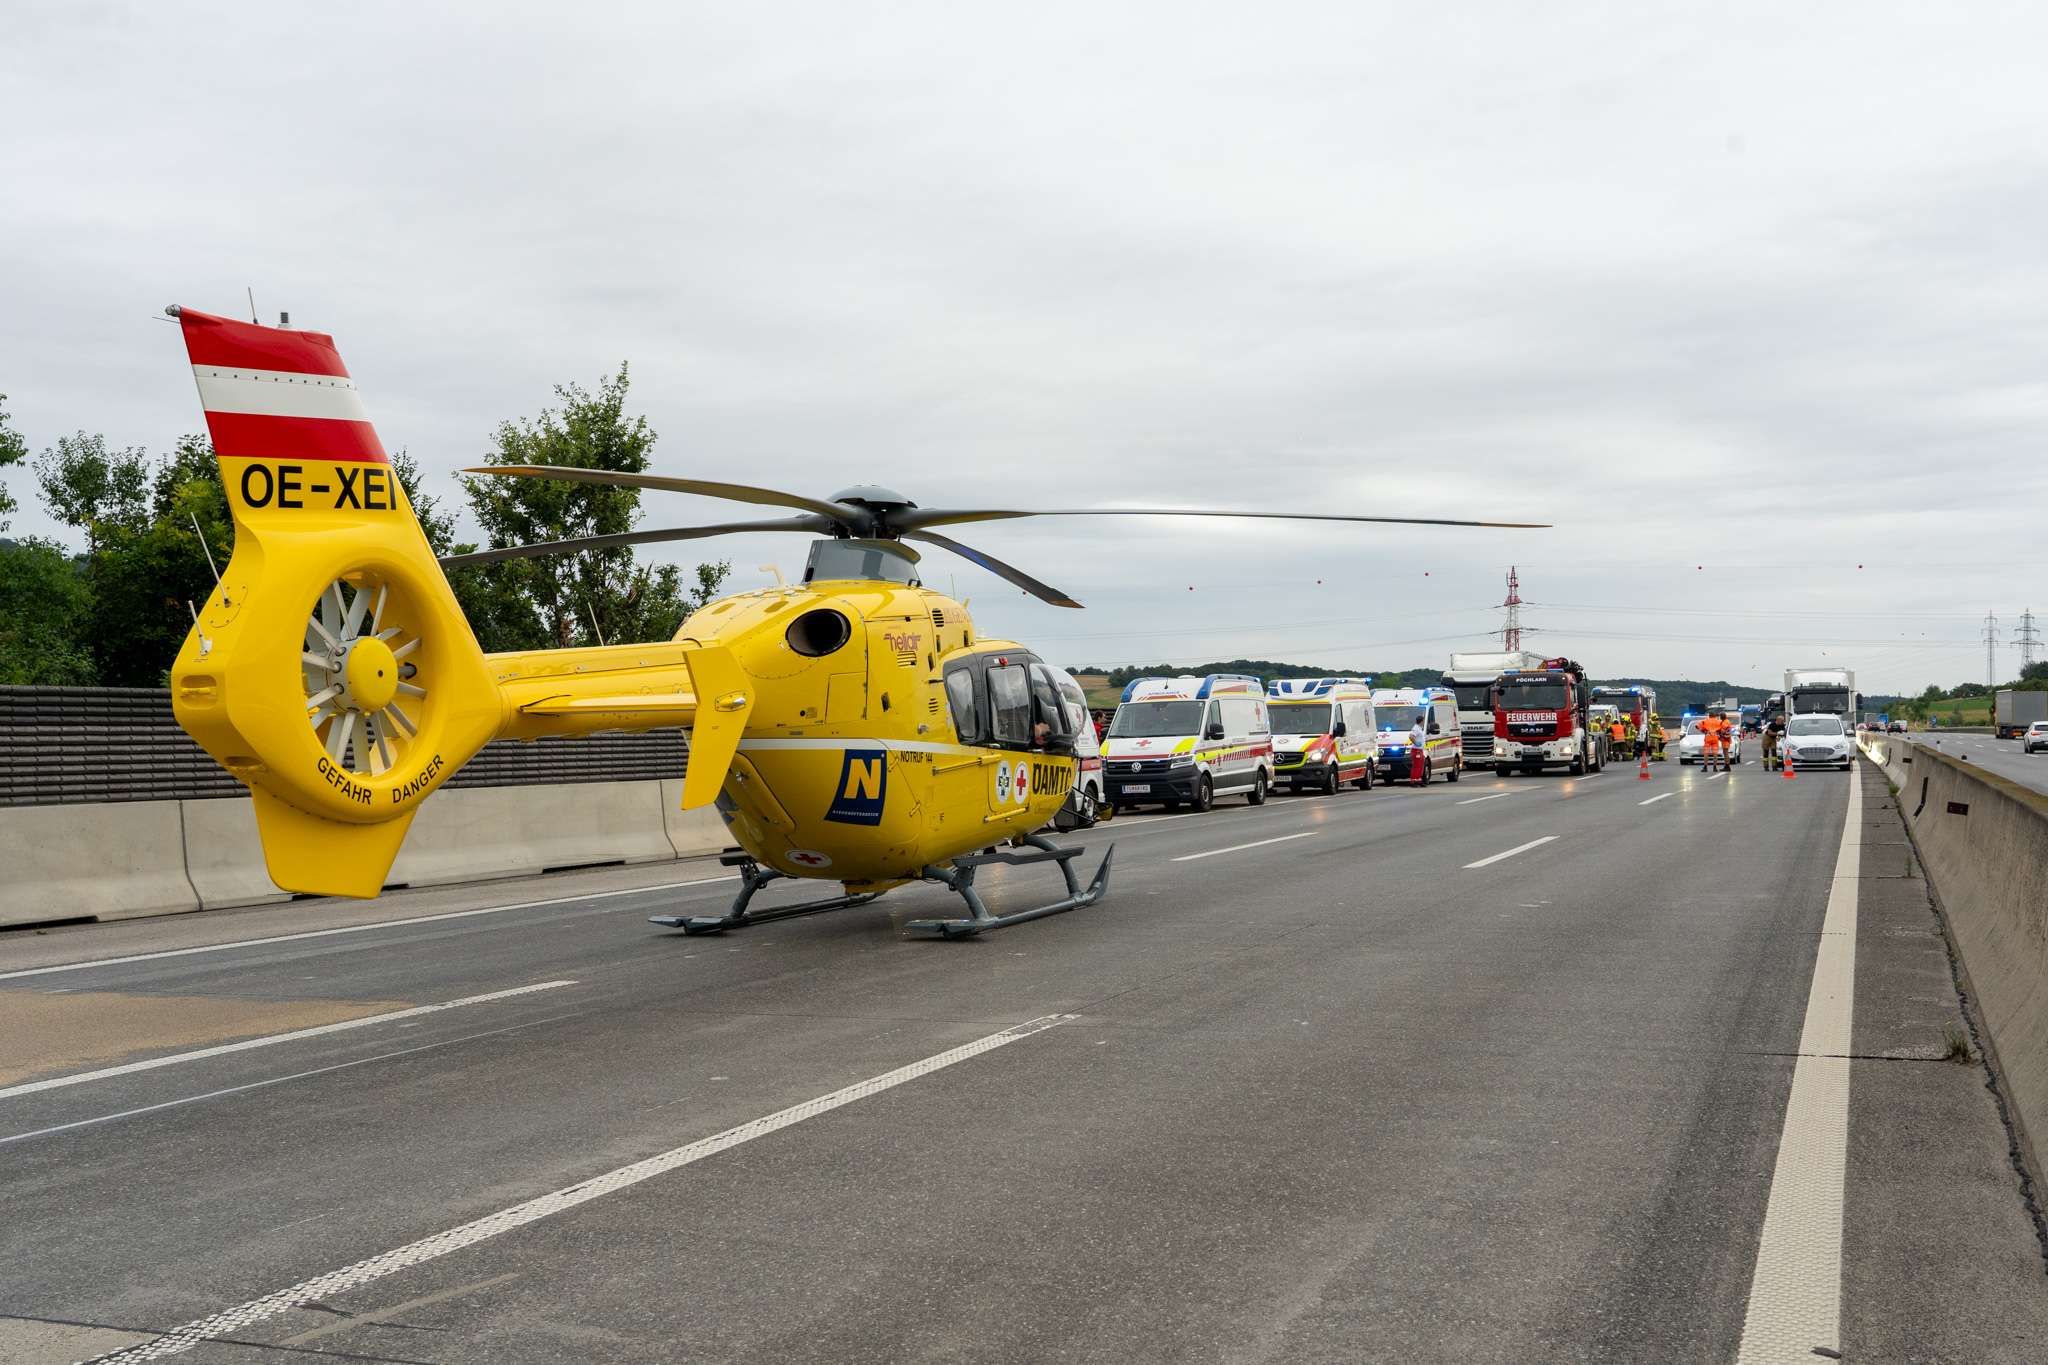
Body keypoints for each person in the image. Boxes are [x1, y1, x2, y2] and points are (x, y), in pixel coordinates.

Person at [1408, 713, 1428, 786]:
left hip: (1420, 749)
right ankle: (1413, 780)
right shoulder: (1416, 728)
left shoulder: (1419, 728)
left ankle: (1418, 779)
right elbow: (1411, 736)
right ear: (1421, 721)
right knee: (1416, 765)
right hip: (1416, 750)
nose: (1424, 722)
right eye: (1423, 721)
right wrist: (1416, 743)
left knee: (1420, 765)